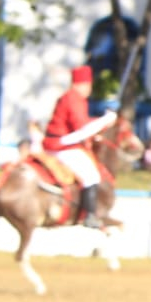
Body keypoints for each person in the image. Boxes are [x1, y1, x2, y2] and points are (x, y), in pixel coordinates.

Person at [42, 64, 118, 227]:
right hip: (61, 146)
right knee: (91, 175)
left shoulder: (71, 98)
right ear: (83, 84)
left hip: (59, 143)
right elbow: (82, 128)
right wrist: (105, 120)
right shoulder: (74, 99)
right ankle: (89, 216)